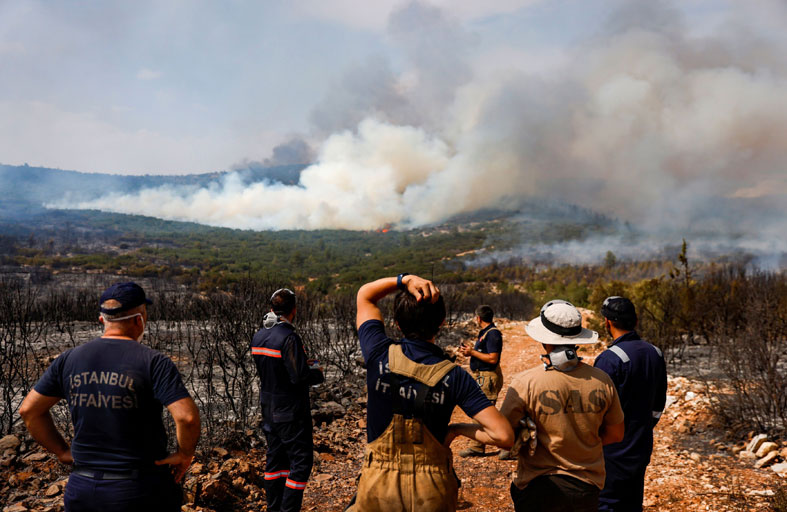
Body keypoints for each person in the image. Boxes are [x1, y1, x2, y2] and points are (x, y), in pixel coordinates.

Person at [19, 282, 200, 512]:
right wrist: (185, 454)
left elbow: (29, 410)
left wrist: (62, 451)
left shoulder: (68, 359)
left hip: (82, 488)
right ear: (139, 319)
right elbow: (187, 418)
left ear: (102, 320)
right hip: (139, 489)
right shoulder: (153, 362)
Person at [347, 273, 513, 512]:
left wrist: (404, 280)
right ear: (442, 322)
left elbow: (365, 295)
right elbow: (503, 436)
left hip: (377, 485)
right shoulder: (455, 376)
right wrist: (456, 430)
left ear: (397, 323)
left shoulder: (378, 352)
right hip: (431, 490)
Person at [498, 299, 625, 512]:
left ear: (544, 341)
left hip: (537, 487)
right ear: (577, 341)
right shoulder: (602, 380)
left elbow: (503, 439)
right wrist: (581, 444)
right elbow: (616, 435)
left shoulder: (525, 382)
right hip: (586, 488)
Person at [251, 288, 324, 512]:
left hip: (268, 409)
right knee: (301, 462)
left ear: (271, 309)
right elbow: (298, 376)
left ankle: (274, 508)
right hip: (290, 412)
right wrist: (316, 371)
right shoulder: (289, 337)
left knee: (275, 462)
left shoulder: (259, 336)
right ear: (293, 311)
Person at [594, 296, 668, 512]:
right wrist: (642, 429)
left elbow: (597, 411)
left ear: (607, 323)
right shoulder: (656, 353)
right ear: (635, 321)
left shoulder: (609, 359)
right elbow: (658, 405)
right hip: (641, 445)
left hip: (612, 452)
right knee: (632, 502)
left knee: (606, 504)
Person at [458, 304, 505, 457]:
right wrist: (470, 352)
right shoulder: (486, 333)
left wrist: (472, 352)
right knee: (483, 411)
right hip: (482, 376)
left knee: (483, 412)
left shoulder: (492, 334)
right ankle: (478, 446)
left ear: (478, 318)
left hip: (488, 377)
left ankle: (480, 447)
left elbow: (492, 358)